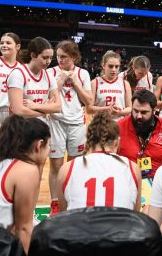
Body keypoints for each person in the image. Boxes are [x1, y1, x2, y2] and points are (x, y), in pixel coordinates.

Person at [57, 111, 141, 211]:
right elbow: (136, 213)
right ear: (117, 142)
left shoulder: (66, 169)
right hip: (120, 225)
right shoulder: (133, 168)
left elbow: (64, 214)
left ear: (88, 140)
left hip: (81, 225)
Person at [47, 40, 92, 216]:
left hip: (77, 124)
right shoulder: (51, 73)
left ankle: (72, 201)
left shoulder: (83, 74)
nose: (60, 60)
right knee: (56, 166)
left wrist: (75, 83)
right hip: (56, 122)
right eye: (58, 56)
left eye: (64, 57)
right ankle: (55, 204)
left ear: (74, 57)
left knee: (73, 166)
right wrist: (59, 82)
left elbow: (89, 101)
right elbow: (46, 97)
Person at [0, 115, 51, 254]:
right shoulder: (26, 170)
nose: (50, 150)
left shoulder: (4, 161)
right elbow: (23, 229)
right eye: (49, 145)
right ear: (39, 145)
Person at [117, 89, 162, 179]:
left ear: (154, 110)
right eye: (135, 111)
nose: (138, 116)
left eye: (144, 112)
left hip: (158, 184)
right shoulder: (118, 128)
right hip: (126, 182)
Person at [7, 36, 61, 119]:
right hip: (21, 127)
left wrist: (35, 106)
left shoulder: (49, 76)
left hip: (41, 126)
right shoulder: (18, 74)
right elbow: (17, 110)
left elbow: (58, 107)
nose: (48, 62)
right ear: (33, 55)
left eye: (50, 58)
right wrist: (44, 112)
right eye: (45, 57)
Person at [86, 50, 132, 121]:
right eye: (110, 66)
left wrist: (120, 112)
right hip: (100, 123)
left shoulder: (125, 83)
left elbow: (130, 108)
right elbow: (89, 109)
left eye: (116, 67)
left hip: (119, 123)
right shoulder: (95, 83)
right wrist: (106, 109)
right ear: (103, 65)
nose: (114, 69)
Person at [0, 32, 22, 127]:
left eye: (8, 43)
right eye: (1, 43)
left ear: (18, 46)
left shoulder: (22, 68)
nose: (4, 45)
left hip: (14, 114)